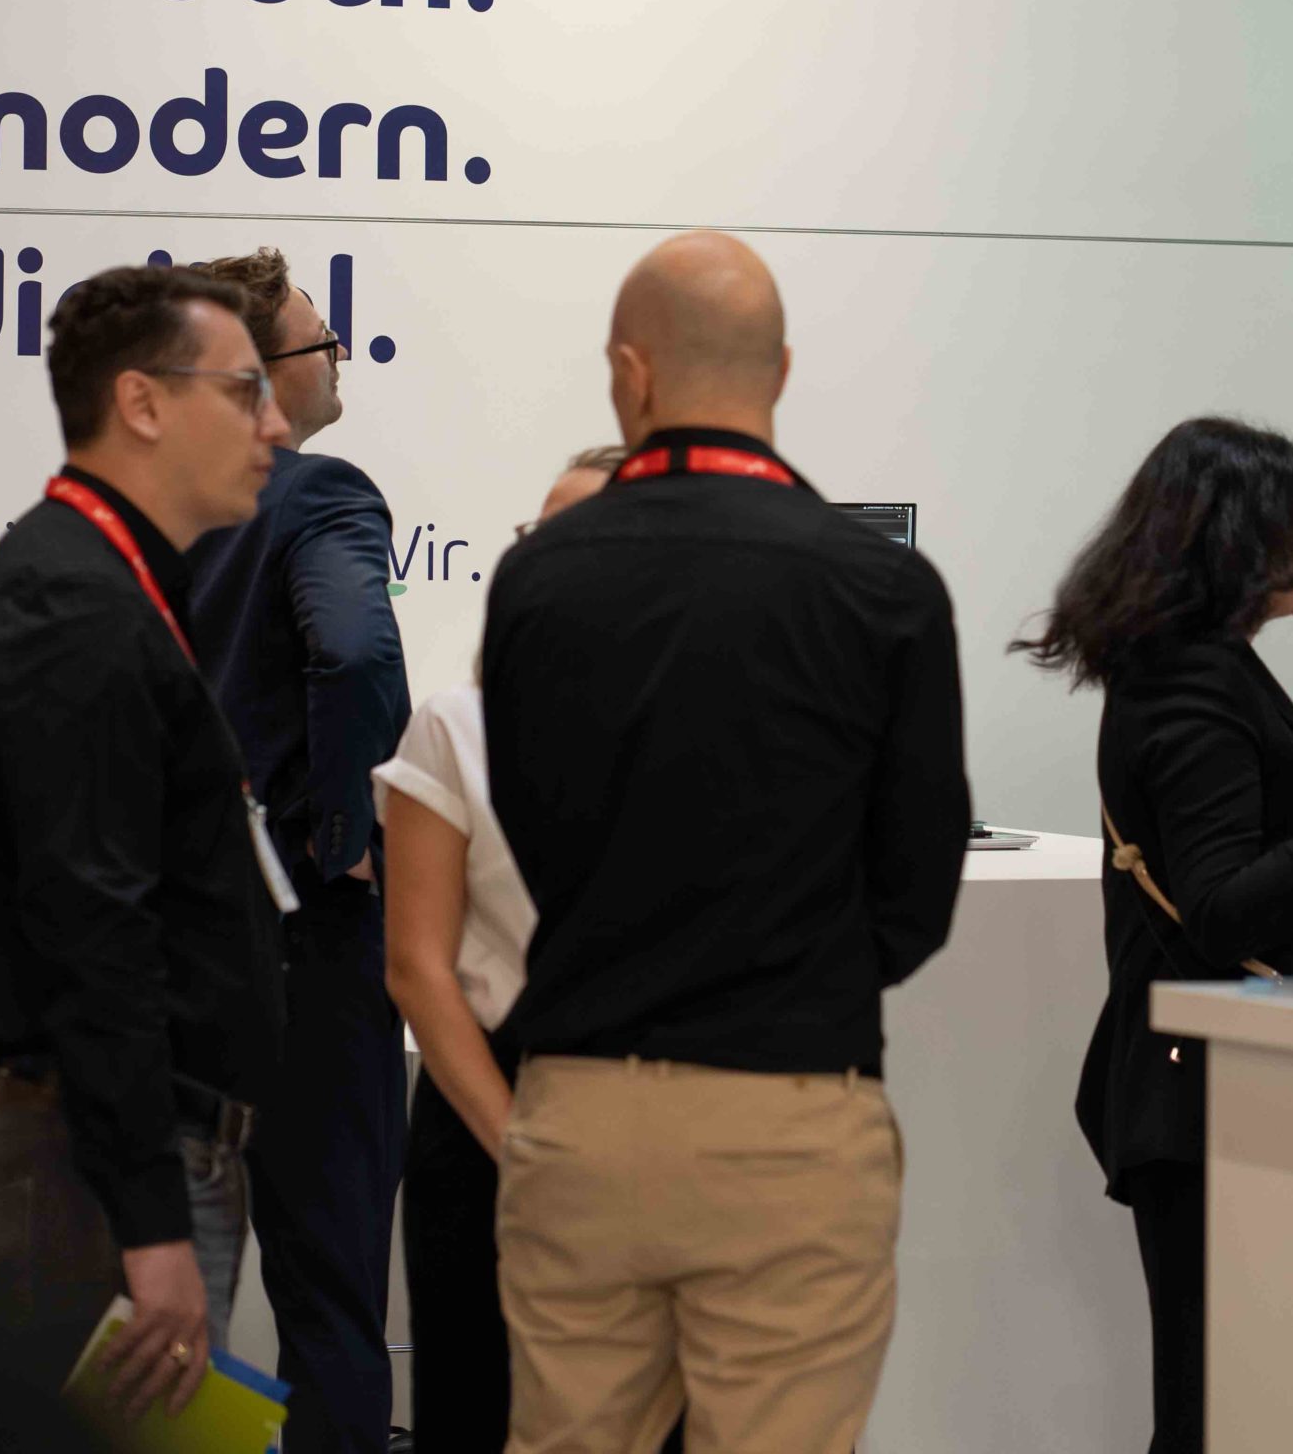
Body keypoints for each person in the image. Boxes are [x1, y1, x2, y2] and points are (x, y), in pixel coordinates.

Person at [482, 231, 971, 1454]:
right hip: (791, 1111)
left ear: (629, 372)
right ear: (783, 370)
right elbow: (918, 885)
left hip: (580, 1106)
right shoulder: (883, 588)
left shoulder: (538, 579)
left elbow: (535, 831)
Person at [1016, 416, 1293, 1454]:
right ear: (1239, 538)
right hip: (1215, 1097)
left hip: (1225, 1091)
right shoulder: (1190, 684)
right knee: (1219, 1413)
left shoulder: (1189, 669)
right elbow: (1222, 908)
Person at [0, 264, 288, 1413]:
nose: (276, 426)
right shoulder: (72, 605)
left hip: (109, 1160)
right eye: (245, 390)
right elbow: (94, 927)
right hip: (89, 1176)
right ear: (142, 402)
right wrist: (151, 1226)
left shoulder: (104, 587)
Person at [186, 248, 411, 1454]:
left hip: (175, 944)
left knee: (173, 1306)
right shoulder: (317, 493)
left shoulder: (152, 511)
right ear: (261, 374)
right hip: (308, 950)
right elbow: (357, 651)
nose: (340, 358)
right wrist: (345, 836)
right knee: (329, 1294)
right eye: (323, 340)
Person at [377, 445, 624, 1454]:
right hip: (490, 1111)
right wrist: (521, 1145)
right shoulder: (458, 725)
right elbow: (417, 967)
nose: (542, 557)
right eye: (534, 534)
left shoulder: (711, 723)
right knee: (481, 1408)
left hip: (657, 1119)